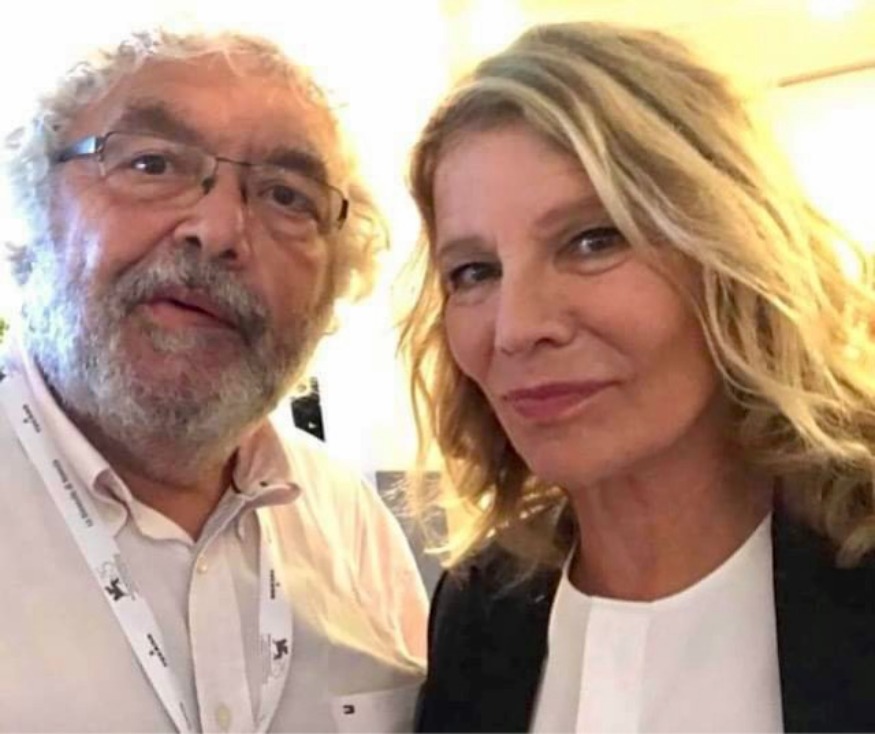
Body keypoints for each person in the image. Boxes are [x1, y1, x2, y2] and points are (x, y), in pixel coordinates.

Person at [400, 21, 875, 733]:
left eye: (593, 240)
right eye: (474, 272)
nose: (516, 327)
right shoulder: (479, 610)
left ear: (730, 252)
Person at [0, 27, 427, 732]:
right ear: (33, 212)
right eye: (152, 163)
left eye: (287, 196)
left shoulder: (349, 523)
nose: (221, 228)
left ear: (332, 285)